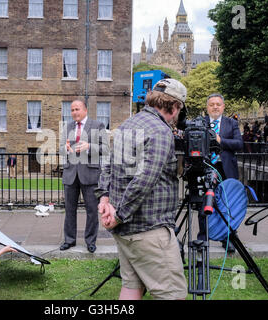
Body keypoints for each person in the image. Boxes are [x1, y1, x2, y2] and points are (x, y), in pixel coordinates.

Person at [95, 79, 188, 300]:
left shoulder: (128, 124)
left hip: (125, 231)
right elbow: (144, 181)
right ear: (174, 107)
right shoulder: (161, 131)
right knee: (173, 294)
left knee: (131, 287)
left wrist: (104, 200)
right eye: (179, 110)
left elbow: (108, 165)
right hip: (148, 229)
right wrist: (118, 215)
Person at [59, 100, 108, 253]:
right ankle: (69, 240)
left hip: (90, 174)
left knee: (92, 210)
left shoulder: (97, 125)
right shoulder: (67, 127)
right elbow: (61, 148)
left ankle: (91, 241)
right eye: (72, 110)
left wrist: (89, 147)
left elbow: (105, 148)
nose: (74, 112)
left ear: (85, 110)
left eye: (77, 109)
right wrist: (65, 149)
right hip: (70, 174)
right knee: (69, 209)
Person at [201, 93, 243, 253]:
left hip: (226, 169)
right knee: (204, 203)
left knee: (227, 204)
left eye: (218, 104)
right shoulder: (201, 123)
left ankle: (228, 238)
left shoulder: (231, 123)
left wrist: (220, 141)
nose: (215, 107)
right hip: (206, 167)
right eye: (212, 104)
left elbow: (239, 144)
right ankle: (203, 237)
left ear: (223, 106)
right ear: (207, 107)